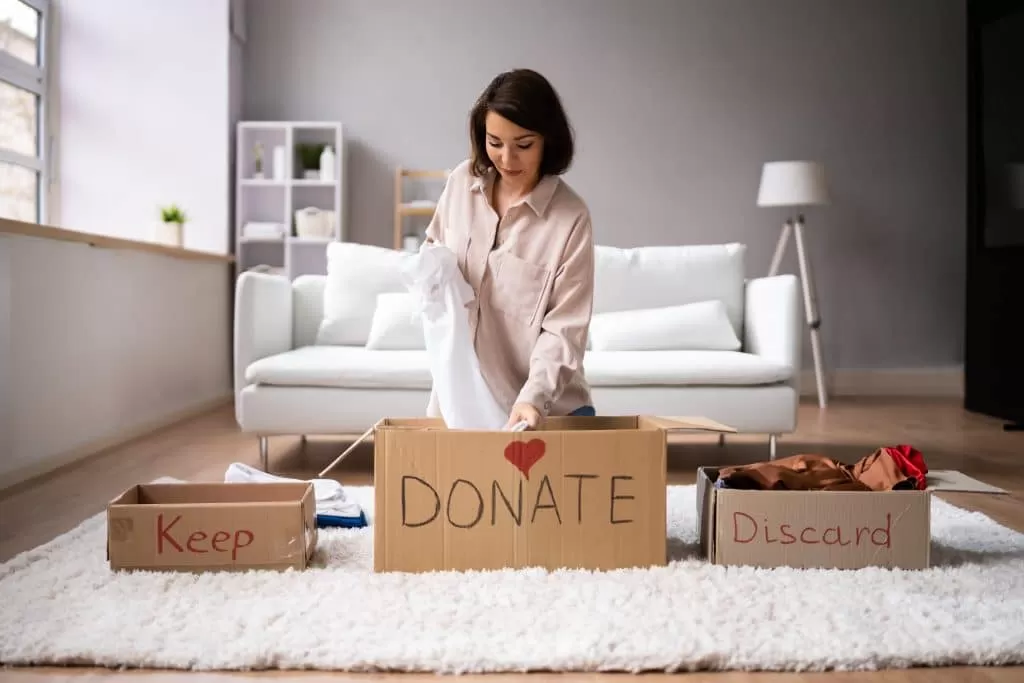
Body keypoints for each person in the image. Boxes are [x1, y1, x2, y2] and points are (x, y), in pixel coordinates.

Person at [424, 68, 596, 430]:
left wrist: (533, 398)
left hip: (543, 411)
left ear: (548, 139)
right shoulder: (461, 183)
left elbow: (564, 329)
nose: (506, 159)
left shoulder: (570, 218)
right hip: (461, 403)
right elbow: (433, 253)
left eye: (523, 145)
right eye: (495, 142)